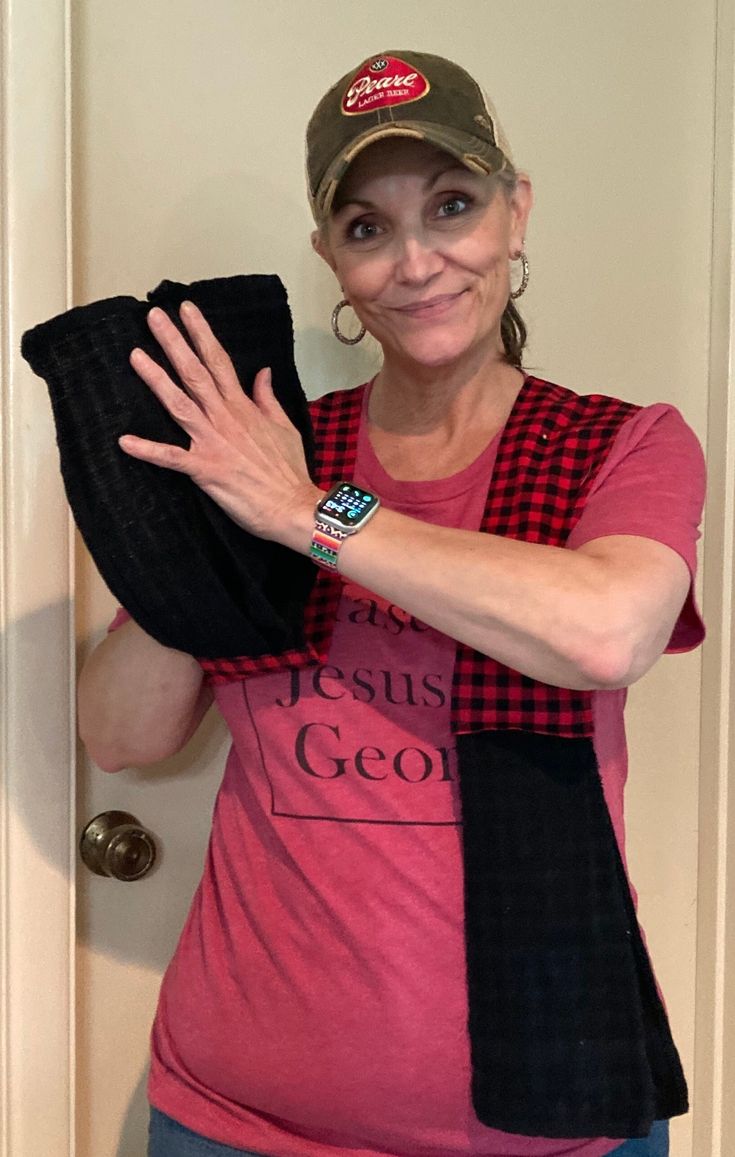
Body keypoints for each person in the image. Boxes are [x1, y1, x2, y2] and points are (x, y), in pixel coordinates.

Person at [78, 50, 705, 1157]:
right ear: (331, 256)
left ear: (517, 214)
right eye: (368, 227)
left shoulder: (623, 443)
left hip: (549, 1118)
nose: (417, 263)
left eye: (452, 207)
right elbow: (122, 735)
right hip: (235, 1121)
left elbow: (609, 630)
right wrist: (176, 520)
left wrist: (309, 514)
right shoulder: (268, 454)